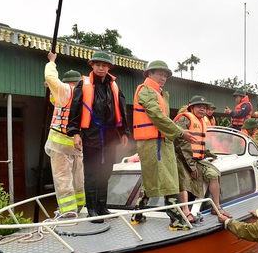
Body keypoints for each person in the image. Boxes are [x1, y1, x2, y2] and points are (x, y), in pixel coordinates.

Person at [132, 60, 198, 231]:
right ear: (149, 74)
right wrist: (181, 132)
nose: (163, 78)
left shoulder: (158, 93)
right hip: (154, 143)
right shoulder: (147, 91)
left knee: (152, 179)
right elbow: (157, 116)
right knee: (170, 180)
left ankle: (137, 213)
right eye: (159, 74)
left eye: (165, 75)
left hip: (161, 142)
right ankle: (175, 221)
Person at [68, 50, 129, 224]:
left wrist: (124, 131)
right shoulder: (84, 84)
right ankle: (92, 209)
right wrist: (74, 133)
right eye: (98, 65)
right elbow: (75, 108)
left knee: (106, 172)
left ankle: (102, 207)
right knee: (92, 173)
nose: (101, 68)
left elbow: (122, 109)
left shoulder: (114, 86)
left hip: (110, 136)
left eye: (104, 65)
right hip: (92, 135)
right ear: (92, 66)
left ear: (109, 67)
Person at [173, 95, 231, 220]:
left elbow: (197, 143)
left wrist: (208, 153)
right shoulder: (184, 119)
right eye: (199, 107)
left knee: (214, 174)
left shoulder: (201, 121)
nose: (202, 110)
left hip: (196, 159)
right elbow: (180, 144)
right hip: (182, 158)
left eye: (205, 108)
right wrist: (191, 166)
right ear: (191, 108)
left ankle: (216, 207)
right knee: (183, 180)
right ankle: (186, 211)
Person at [43, 52, 85, 221]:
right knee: (78, 176)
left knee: (62, 177)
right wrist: (51, 88)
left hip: (59, 143)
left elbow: (50, 76)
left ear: (67, 82)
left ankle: (68, 211)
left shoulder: (64, 90)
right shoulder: (84, 94)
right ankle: (80, 205)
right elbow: (57, 102)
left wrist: (51, 62)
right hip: (78, 142)